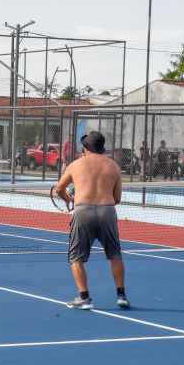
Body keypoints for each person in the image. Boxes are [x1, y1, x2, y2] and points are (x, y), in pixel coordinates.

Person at [55, 131, 130, 310]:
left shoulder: (75, 165)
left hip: (83, 212)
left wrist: (69, 199)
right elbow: (117, 198)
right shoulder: (113, 166)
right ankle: (121, 295)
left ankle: (84, 298)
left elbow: (59, 188)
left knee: (76, 258)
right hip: (108, 212)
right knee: (115, 255)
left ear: (86, 148)